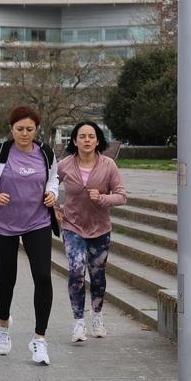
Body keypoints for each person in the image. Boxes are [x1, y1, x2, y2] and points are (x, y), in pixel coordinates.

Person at [0, 105, 59, 365]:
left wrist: (53, 192)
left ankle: (39, 340)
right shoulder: (0, 153)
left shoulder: (46, 153)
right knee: (7, 279)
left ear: (36, 130)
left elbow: (54, 179)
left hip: (37, 222)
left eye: (29, 129)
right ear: (11, 129)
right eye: (19, 129)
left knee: (43, 277)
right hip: (3, 225)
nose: (24, 133)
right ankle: (3, 327)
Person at [56, 121, 127, 342]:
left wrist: (103, 198)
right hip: (72, 226)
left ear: (98, 140)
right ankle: (78, 323)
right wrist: (55, 208)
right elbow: (47, 187)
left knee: (97, 276)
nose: (87, 140)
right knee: (76, 270)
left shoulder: (108, 165)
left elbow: (122, 195)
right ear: (74, 141)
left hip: (100, 229)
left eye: (91, 136)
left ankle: (97, 316)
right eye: (82, 136)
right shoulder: (64, 165)